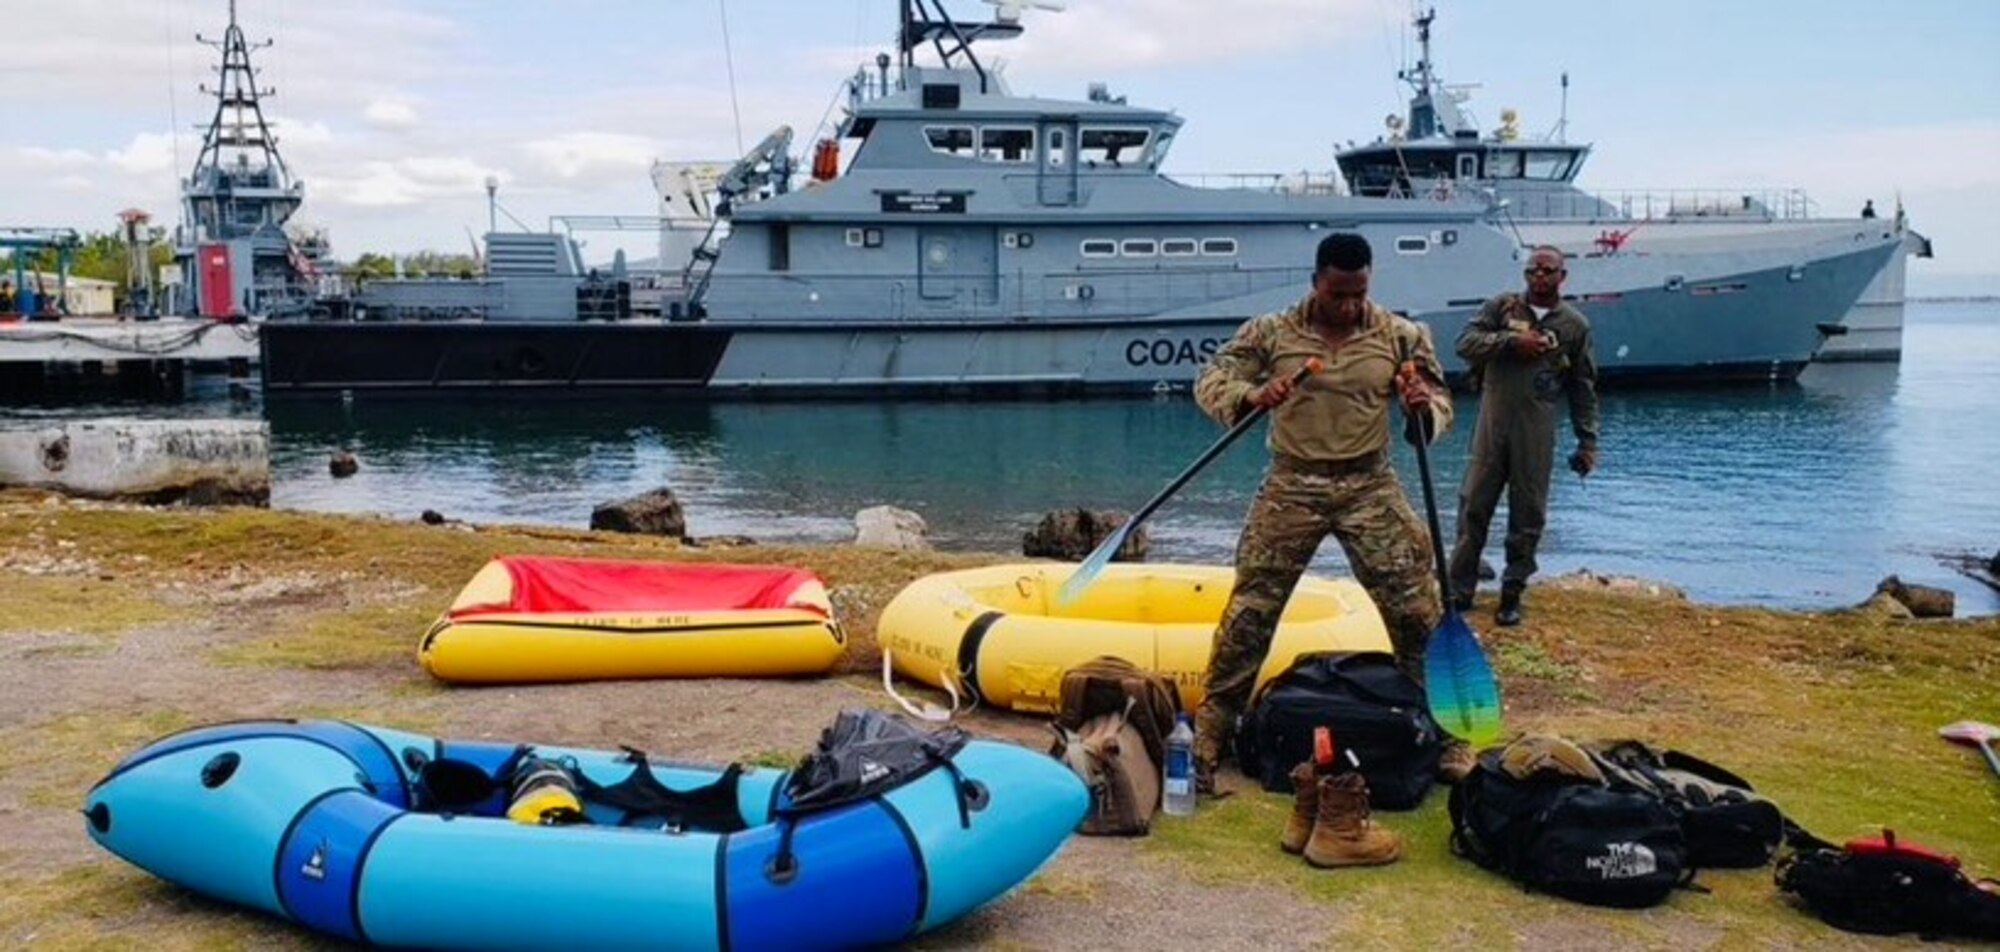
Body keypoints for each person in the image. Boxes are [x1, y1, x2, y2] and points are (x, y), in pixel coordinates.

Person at [1192, 232, 1471, 791]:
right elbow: (1212, 378)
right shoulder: (1271, 332)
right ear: (1317, 281)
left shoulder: (1399, 335)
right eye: (1338, 294)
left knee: (1417, 608)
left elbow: (1441, 402)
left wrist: (1422, 410)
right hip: (1291, 483)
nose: (1349, 306)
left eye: (1358, 293)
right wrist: (1252, 396)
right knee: (1251, 612)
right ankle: (1212, 729)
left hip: (1370, 485)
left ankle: (1449, 734)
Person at [1446, 245, 1600, 627]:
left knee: (1528, 513)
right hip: (1492, 422)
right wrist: (1511, 342)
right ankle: (1458, 590)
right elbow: (1463, 343)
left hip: (1536, 427)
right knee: (1473, 506)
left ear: (1563, 277)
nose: (1540, 277)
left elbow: (1582, 386)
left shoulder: (1574, 325)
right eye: (1533, 270)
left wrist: (1588, 441)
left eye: (1548, 271)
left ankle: (1512, 593)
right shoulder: (1502, 308)